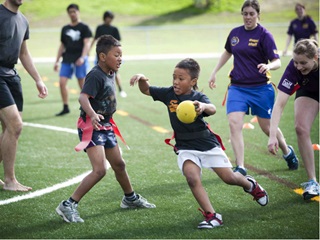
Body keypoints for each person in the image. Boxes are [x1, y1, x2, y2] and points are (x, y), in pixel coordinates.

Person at [130, 58, 268, 229]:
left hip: (207, 144)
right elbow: (147, 90)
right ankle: (212, 216)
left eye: (181, 78)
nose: (176, 81)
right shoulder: (168, 94)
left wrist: (202, 106)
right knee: (192, 178)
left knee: (229, 178)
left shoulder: (198, 97)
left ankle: (250, 185)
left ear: (193, 81)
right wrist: (143, 79)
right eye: (174, 77)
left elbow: (213, 108)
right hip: (185, 147)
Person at [56, 35, 155, 223]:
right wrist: (93, 115)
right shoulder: (95, 75)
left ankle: (130, 198)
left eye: (121, 55)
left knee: (119, 164)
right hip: (91, 126)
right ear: (102, 57)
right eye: (116, 55)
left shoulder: (111, 72)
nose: (120, 59)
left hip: (106, 125)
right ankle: (68, 204)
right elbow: (82, 98)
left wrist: (139, 77)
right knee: (100, 170)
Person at [208, 0, 299, 176]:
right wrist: (214, 71)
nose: (248, 17)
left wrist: (268, 67)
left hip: (260, 89)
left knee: (267, 127)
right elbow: (228, 51)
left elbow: (277, 61)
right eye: (245, 13)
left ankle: (287, 151)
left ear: (258, 15)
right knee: (234, 123)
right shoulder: (235, 33)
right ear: (242, 14)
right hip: (237, 88)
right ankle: (241, 166)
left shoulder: (265, 35)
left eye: (251, 13)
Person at [0, 0, 48, 191]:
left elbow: (24, 53)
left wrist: (38, 79)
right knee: (15, 125)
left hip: (12, 76)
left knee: (9, 129)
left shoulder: (23, 20)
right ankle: (10, 180)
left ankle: (9, 179)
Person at [268, 39, 319, 200]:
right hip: (309, 91)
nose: (299, 67)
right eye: (296, 62)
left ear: (316, 58)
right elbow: (279, 104)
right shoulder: (294, 68)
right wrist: (272, 135)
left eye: (303, 63)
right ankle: (313, 181)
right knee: (300, 128)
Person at [54, 3, 92, 116]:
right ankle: (65, 107)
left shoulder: (84, 27)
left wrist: (83, 57)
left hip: (79, 59)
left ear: (78, 12)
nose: (72, 14)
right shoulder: (65, 28)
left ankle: (90, 107)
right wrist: (56, 61)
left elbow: (87, 43)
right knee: (62, 83)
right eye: (70, 12)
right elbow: (62, 46)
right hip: (67, 59)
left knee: (82, 84)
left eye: (74, 11)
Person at [90, 10, 127, 98]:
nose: (109, 20)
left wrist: (118, 54)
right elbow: (95, 39)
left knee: (115, 72)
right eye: (107, 18)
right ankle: (100, 91)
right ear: (104, 18)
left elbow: (118, 43)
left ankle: (120, 90)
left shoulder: (114, 29)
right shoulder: (100, 28)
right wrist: (89, 50)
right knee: (99, 72)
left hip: (112, 55)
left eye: (110, 18)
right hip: (101, 54)